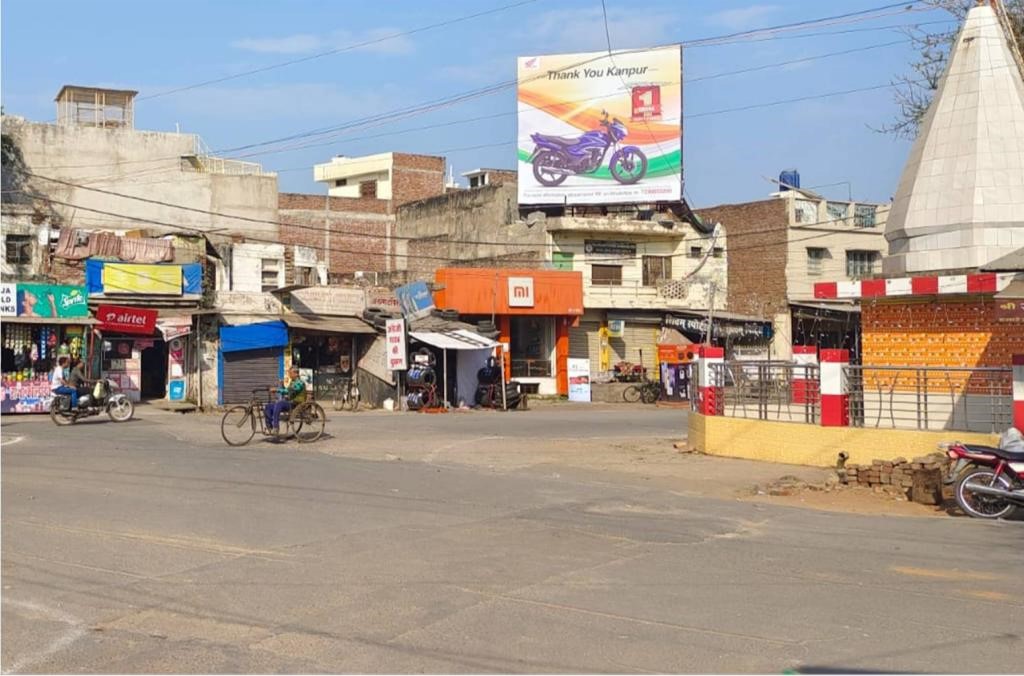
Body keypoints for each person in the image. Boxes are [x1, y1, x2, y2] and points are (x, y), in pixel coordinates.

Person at [264, 366, 307, 436]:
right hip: (290, 402)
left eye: (291, 373)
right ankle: (270, 428)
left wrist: (276, 390)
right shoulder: (293, 382)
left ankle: (276, 427)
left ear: (296, 374)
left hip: (296, 404)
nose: (289, 375)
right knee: (268, 406)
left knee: (279, 403)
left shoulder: (300, 383)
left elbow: (289, 391)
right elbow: (288, 392)